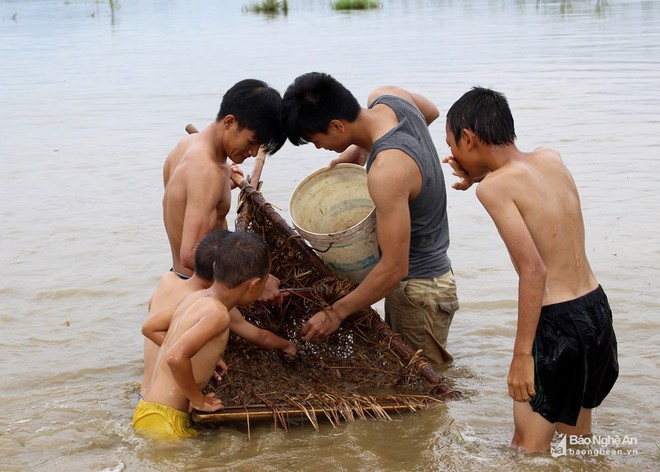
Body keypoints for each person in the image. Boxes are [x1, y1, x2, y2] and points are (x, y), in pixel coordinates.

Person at [443, 87, 618, 453]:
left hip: (557, 322)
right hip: (596, 312)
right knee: (576, 440)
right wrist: (479, 172)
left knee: (528, 449)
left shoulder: (494, 188)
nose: (453, 155)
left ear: (469, 138)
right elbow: (526, 185)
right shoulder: (551, 158)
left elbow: (534, 272)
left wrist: (522, 356)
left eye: (453, 145)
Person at [281, 72, 459, 368]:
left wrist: (336, 313)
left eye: (316, 140)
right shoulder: (391, 97)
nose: (318, 147)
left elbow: (393, 267)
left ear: (337, 125)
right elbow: (431, 111)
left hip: (419, 290)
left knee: (423, 389)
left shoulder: (387, 172)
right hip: (432, 281)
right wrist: (363, 148)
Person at [133, 232, 285, 439]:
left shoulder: (195, 297)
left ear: (215, 268)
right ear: (253, 284)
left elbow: (150, 328)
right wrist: (198, 400)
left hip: (149, 408)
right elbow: (176, 357)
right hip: (165, 419)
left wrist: (202, 357)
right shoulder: (219, 314)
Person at [162, 78, 286, 304]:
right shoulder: (207, 172)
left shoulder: (188, 144)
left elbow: (178, 202)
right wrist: (256, 280)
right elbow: (191, 255)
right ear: (229, 121)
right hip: (200, 293)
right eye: (252, 142)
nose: (253, 152)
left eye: (260, 147)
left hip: (177, 281)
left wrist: (221, 190)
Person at [140, 230, 230, 399]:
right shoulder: (201, 302)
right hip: (169, 403)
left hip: (145, 395)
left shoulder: (167, 279)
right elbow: (255, 334)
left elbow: (150, 325)